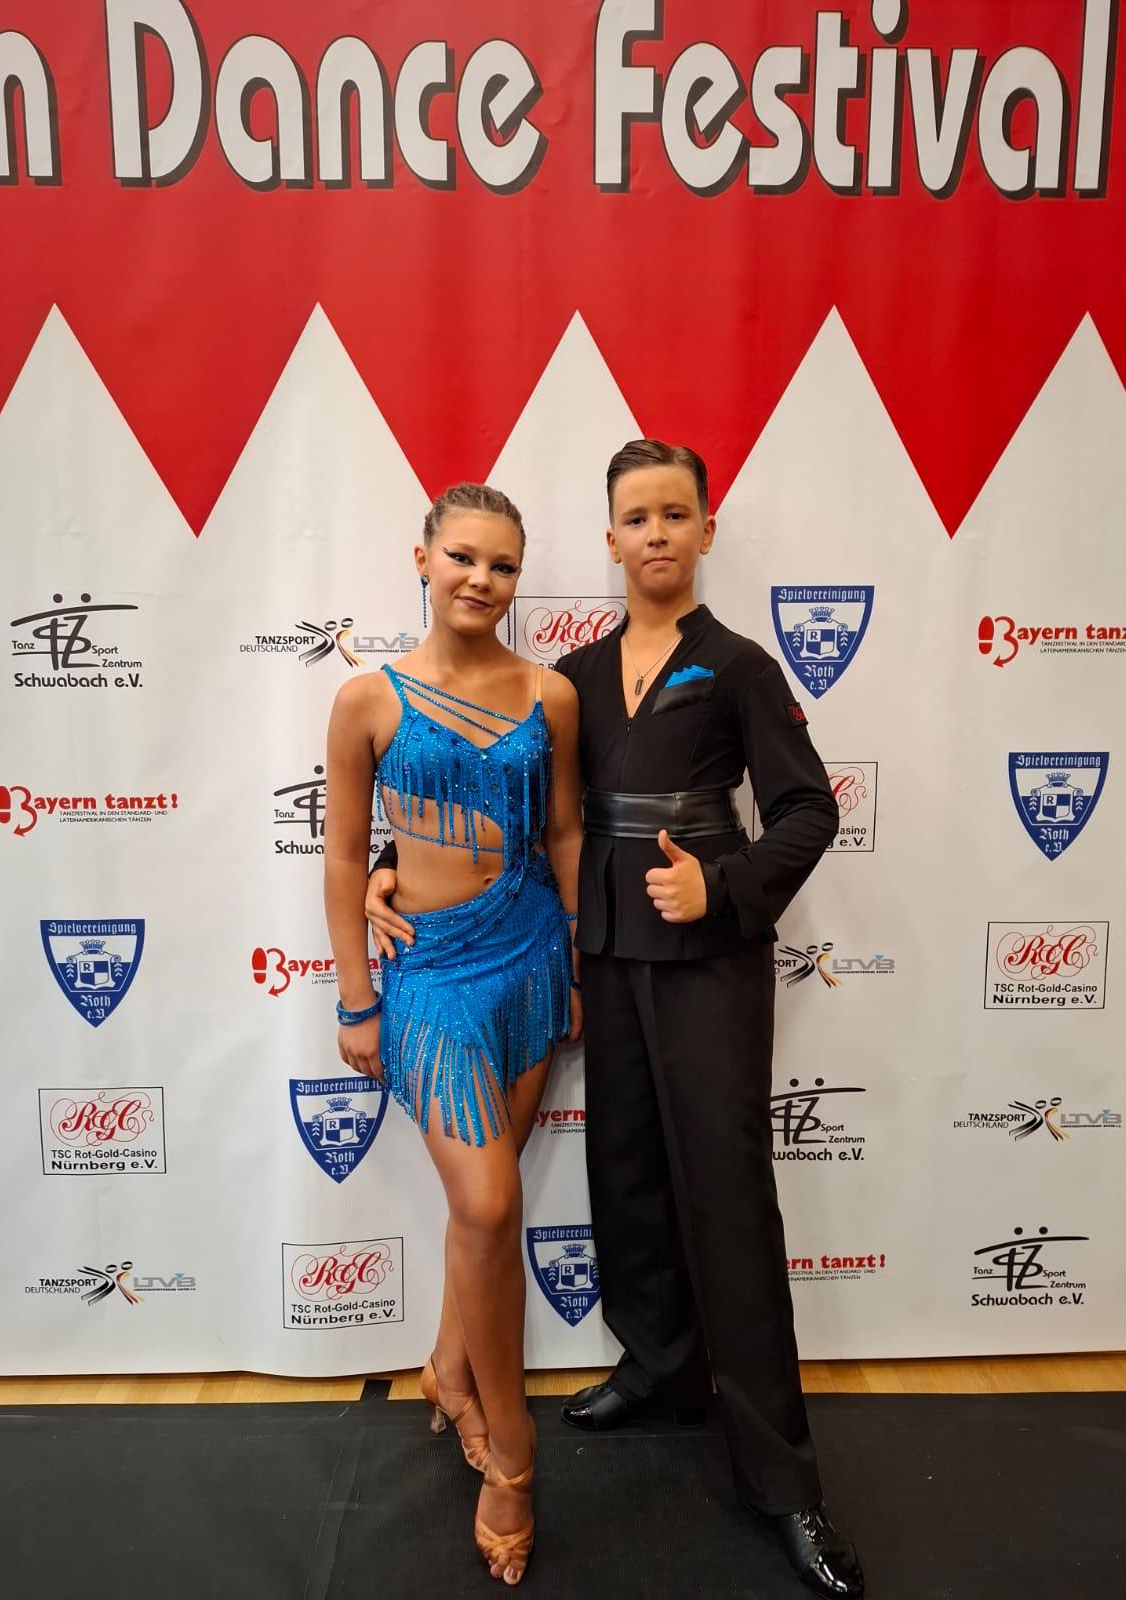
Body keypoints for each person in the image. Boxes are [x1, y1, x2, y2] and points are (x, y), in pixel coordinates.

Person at [367, 441, 864, 1598]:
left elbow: (807, 809)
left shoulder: (738, 665)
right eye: (635, 516)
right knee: (626, 1174)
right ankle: (658, 1367)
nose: (655, 533)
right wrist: (392, 864)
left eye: (674, 513)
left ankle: (784, 1482)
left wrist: (724, 886)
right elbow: (498, 798)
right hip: (600, 954)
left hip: (709, 956)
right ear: (608, 540)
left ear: (705, 531)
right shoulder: (575, 677)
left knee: (727, 1199)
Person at [324, 482, 583, 1588]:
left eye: (504, 564)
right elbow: (347, 855)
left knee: (490, 1204)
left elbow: (562, 830)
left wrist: (578, 961)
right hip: (430, 977)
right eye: (464, 556)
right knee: (484, 1205)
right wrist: (355, 996)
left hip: (530, 958)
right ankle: (513, 1458)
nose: (483, 578)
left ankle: (446, 1366)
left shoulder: (551, 694)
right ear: (422, 557)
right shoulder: (365, 700)